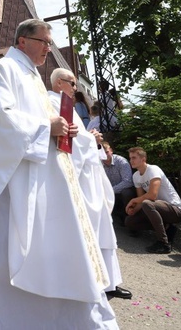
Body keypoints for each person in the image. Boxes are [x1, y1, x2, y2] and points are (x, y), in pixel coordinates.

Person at [0, 19, 118, 329]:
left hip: (39, 181)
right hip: (11, 187)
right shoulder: (5, 70)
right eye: (44, 41)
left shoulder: (31, 78)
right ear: (22, 41)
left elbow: (45, 126)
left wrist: (66, 131)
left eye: (49, 42)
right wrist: (47, 127)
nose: (48, 48)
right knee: (7, 261)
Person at [49, 67, 132, 301]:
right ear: (59, 84)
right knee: (89, 232)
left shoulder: (69, 105)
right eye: (72, 83)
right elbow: (65, 141)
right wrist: (91, 139)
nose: (76, 89)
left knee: (103, 231)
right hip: (79, 180)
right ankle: (91, 281)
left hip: (90, 175)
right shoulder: (53, 102)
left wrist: (89, 139)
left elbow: (77, 136)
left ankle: (111, 282)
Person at [125, 147, 181, 254]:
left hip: (176, 210)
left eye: (134, 158)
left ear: (143, 159)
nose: (131, 161)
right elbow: (141, 199)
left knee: (147, 203)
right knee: (130, 222)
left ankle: (164, 243)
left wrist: (133, 200)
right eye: (130, 158)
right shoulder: (136, 176)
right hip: (156, 208)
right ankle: (168, 228)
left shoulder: (153, 169)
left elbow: (152, 195)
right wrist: (134, 209)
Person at [100, 142, 136, 226]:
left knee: (126, 193)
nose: (104, 156)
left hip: (122, 190)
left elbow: (128, 181)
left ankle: (131, 220)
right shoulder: (98, 164)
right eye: (102, 153)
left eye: (106, 152)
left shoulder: (121, 161)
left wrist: (111, 190)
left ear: (111, 151)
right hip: (109, 192)